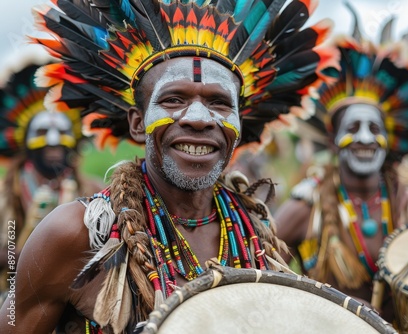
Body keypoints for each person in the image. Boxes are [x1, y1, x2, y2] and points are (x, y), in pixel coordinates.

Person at [0, 0, 335, 332]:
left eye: (219, 102)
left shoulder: (256, 231)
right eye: (173, 99)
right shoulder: (76, 233)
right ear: (137, 123)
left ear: (239, 129)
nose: (200, 119)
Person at [274, 10, 408, 322]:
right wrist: (335, 303)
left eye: (376, 130)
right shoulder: (305, 210)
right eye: (353, 128)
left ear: (389, 140)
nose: (366, 138)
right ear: (333, 141)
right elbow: (266, 279)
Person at [0, 51, 103, 297]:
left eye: (61, 130)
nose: (54, 139)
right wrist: (21, 251)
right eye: (43, 130)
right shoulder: (4, 197)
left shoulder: (96, 193)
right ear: (25, 142)